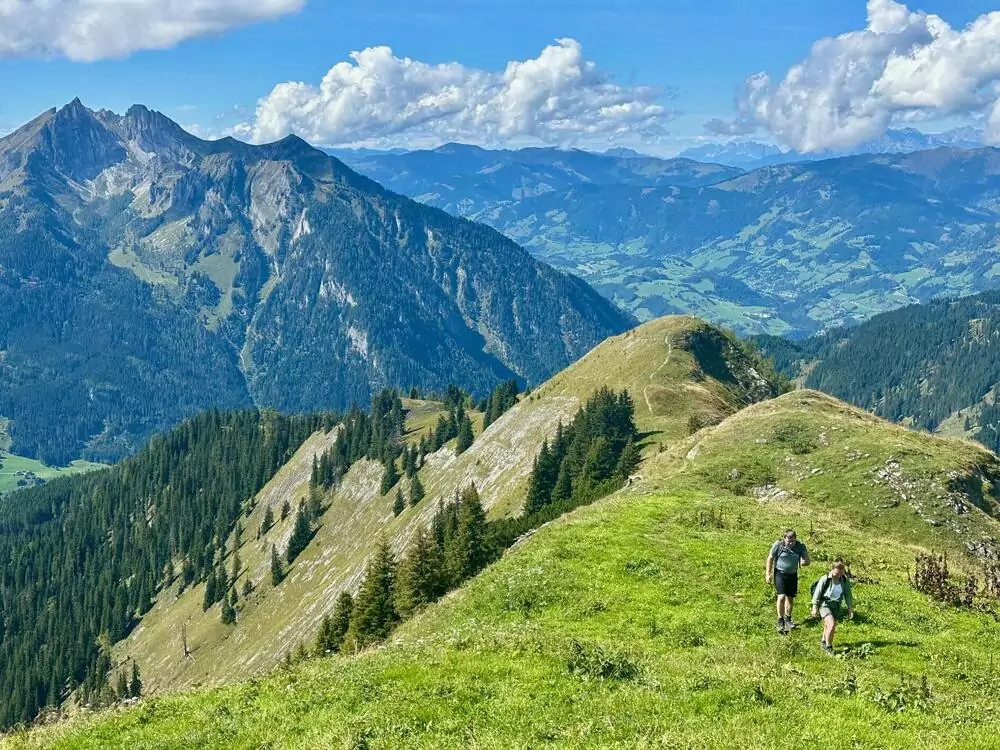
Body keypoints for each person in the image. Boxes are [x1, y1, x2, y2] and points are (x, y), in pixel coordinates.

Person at [765, 528, 810, 632]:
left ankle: (787, 618)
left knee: (790, 598)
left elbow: (807, 560)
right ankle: (780, 620)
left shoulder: (800, 546)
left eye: (793, 541)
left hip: (793, 574)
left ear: (795, 539)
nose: (791, 543)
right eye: (788, 541)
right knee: (781, 597)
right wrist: (768, 574)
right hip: (780, 573)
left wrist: (805, 562)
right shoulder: (778, 545)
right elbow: (770, 558)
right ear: (784, 538)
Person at [811, 558, 854, 654]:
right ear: (832, 569)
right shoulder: (825, 578)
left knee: (828, 624)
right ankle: (829, 647)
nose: (839, 575)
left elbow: (848, 595)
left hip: (836, 605)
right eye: (837, 572)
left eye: (841, 573)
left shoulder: (844, 580)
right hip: (825, 604)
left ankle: (823, 641)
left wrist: (850, 609)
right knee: (831, 624)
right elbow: (817, 593)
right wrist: (815, 607)